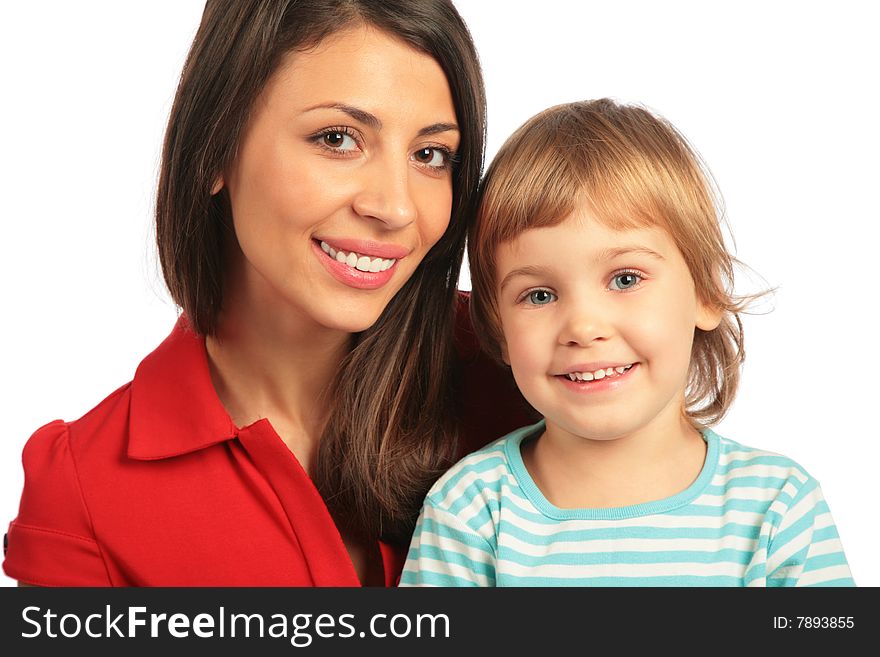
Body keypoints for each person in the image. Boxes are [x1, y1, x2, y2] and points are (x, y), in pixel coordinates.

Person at [2, 0, 532, 587]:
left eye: (430, 155)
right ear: (215, 147)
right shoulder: (84, 493)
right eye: (338, 138)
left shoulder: (534, 372)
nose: (396, 207)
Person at [400, 99, 855, 586]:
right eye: (539, 294)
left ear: (704, 290)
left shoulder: (778, 508)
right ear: (497, 328)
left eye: (625, 279)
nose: (583, 326)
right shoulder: (470, 513)